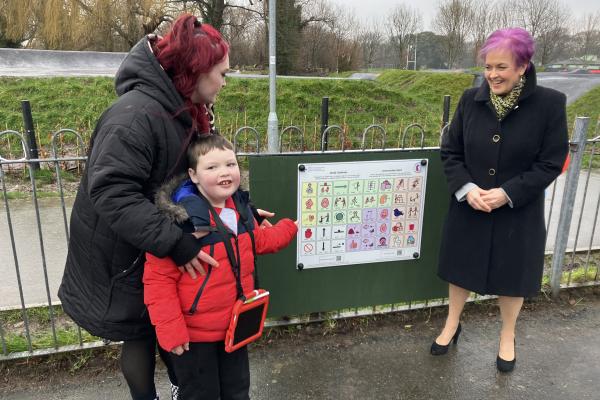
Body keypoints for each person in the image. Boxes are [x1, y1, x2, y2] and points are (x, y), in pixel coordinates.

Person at [58, 14, 268, 400]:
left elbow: (199, 176)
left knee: (165, 324)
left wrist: (240, 211)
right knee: (138, 330)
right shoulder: (136, 116)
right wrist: (173, 242)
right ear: (195, 71)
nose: (225, 81)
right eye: (221, 73)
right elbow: (112, 192)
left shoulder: (183, 108)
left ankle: (179, 388)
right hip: (126, 248)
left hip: (154, 239)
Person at [431, 28, 568, 373]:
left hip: (517, 211)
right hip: (471, 206)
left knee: (512, 275)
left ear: (523, 66)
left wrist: (508, 193)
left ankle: (507, 335)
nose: (492, 74)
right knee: (460, 271)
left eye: (502, 67)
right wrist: (466, 188)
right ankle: (452, 323)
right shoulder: (469, 100)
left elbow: (551, 162)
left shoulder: (550, 104)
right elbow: (451, 151)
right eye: (488, 66)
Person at [143, 134, 297, 400]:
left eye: (231, 164)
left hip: (235, 327)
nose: (224, 172)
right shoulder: (181, 223)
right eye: (212, 167)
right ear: (193, 175)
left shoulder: (242, 213)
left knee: (237, 391)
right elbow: (158, 281)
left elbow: (260, 241)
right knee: (201, 394)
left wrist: (290, 228)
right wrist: (170, 330)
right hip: (194, 335)